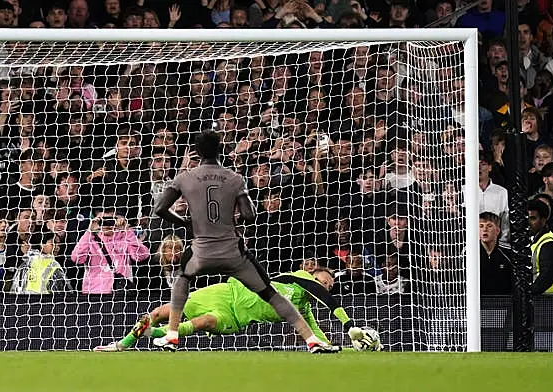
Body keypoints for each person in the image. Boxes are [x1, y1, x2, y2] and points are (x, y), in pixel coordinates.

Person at [152, 130, 338, 353]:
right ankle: (312, 340)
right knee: (270, 293)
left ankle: (172, 334)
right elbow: (250, 216)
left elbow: (160, 209)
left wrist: (186, 224)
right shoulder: (235, 178)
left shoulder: (184, 178)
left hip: (201, 249)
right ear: (220, 150)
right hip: (231, 250)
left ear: (198, 152)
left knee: (183, 280)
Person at [94, 267, 378, 352]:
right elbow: (325, 298)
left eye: (329, 284)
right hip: (225, 291)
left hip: (236, 315)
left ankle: (158, 334)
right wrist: (349, 324)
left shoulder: (301, 311)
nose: (324, 286)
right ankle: (121, 344)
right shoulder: (300, 278)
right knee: (160, 311)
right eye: (322, 280)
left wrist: (349, 347)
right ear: (310, 273)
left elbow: (318, 337)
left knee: (205, 321)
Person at [528, 199, 553, 294]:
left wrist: (528, 294)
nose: (528, 222)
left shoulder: (549, 244)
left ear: (544, 220)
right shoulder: (535, 240)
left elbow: (546, 278)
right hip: (539, 297)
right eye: (526, 218)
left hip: (548, 299)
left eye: (533, 218)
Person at [479, 212, 513, 295]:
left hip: (504, 302)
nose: (484, 229)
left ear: (498, 230)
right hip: (478, 303)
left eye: (489, 226)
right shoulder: (468, 253)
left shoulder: (508, 252)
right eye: (481, 226)